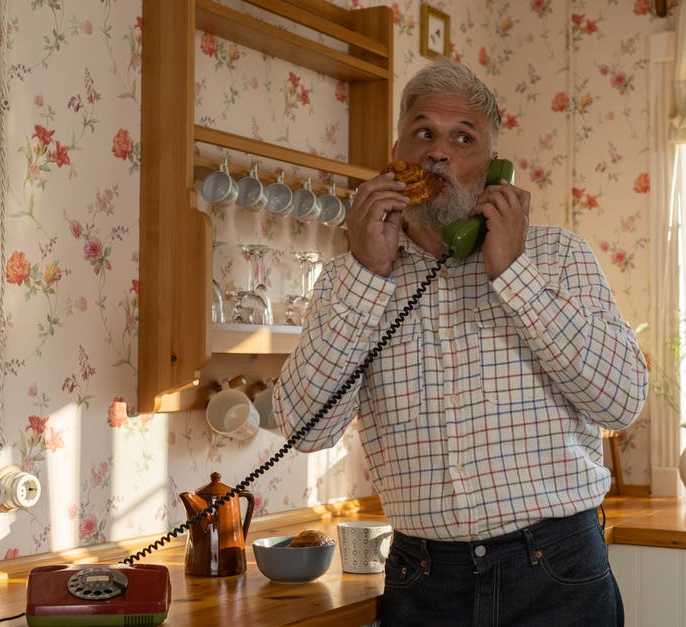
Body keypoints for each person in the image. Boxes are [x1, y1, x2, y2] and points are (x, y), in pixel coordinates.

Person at [273, 58, 648, 626]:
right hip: (422, 582)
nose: (438, 152)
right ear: (398, 152)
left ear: (495, 166)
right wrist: (366, 275)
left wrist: (514, 275)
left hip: (558, 573)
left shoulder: (559, 256)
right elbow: (305, 430)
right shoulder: (348, 281)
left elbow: (621, 402)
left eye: (462, 137)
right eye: (423, 133)